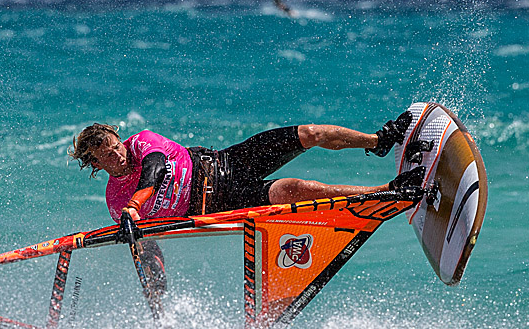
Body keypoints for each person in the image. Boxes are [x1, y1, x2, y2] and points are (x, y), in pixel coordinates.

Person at [68, 114, 423, 294]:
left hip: (225, 164)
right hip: (220, 202)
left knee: (308, 133)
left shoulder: (143, 142)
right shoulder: (115, 201)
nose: (117, 154)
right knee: (295, 189)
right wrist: (156, 289)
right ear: (96, 164)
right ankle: (391, 192)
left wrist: (134, 206)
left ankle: (379, 140)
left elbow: (156, 170)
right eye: (106, 155)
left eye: (115, 145)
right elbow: (147, 245)